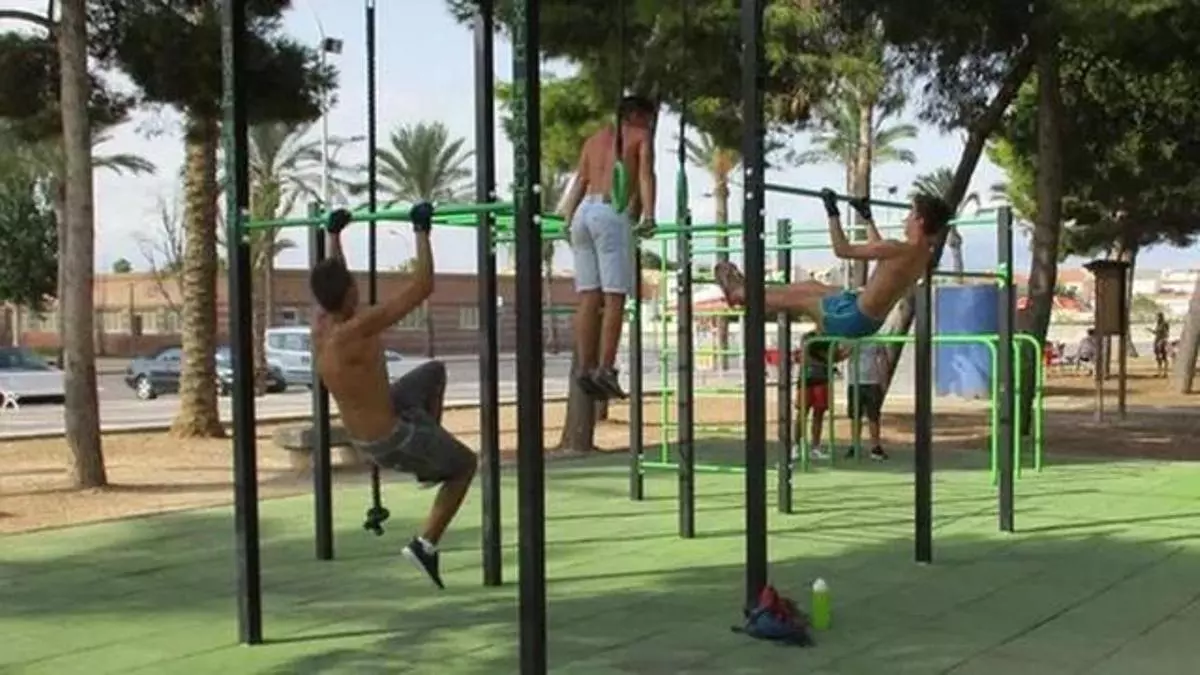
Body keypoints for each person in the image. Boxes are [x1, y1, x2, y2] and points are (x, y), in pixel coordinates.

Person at [309, 205, 477, 590]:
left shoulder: (321, 324)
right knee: (466, 465)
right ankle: (425, 544)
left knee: (433, 372)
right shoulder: (355, 331)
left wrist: (334, 235)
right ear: (349, 294)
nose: (357, 289)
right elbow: (423, 286)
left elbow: (335, 280)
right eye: (353, 286)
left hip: (375, 421)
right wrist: (421, 229)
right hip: (391, 438)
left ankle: (429, 461)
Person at [713, 189, 952, 341]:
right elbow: (882, 256)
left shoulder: (897, 248)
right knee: (811, 286)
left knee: (800, 298)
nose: (905, 219)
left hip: (852, 318)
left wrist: (832, 212)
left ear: (920, 221)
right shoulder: (923, 255)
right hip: (867, 318)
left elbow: (842, 250)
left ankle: (741, 294)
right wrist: (867, 218)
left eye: (910, 214)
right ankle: (751, 291)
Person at [560, 95, 658, 400]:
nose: (650, 124)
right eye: (648, 117)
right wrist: (649, 215)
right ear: (636, 115)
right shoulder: (640, 137)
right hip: (610, 212)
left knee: (589, 295)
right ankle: (605, 367)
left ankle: (585, 367)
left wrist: (567, 218)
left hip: (583, 213)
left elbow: (580, 181)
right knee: (615, 295)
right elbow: (645, 175)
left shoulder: (593, 140)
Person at [845, 341, 890, 461]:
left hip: (873, 382)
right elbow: (841, 355)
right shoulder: (850, 338)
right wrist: (848, 349)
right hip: (855, 382)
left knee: (873, 416)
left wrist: (884, 380)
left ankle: (875, 447)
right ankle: (854, 445)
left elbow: (883, 359)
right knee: (855, 416)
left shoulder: (876, 339)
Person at [793, 335, 834, 460]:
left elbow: (834, 357)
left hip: (822, 379)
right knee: (802, 413)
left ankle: (815, 448)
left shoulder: (829, 339)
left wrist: (847, 352)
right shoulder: (807, 337)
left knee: (818, 415)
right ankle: (796, 446)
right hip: (806, 380)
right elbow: (802, 358)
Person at [1150, 312, 1170, 376]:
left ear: (1161, 317)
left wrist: (1163, 340)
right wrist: (1150, 330)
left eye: (1158, 317)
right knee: (1158, 357)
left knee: (1164, 357)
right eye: (1157, 317)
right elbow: (1156, 333)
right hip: (1157, 341)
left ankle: (1165, 373)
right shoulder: (1158, 324)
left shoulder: (1164, 324)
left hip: (1162, 341)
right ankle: (1159, 372)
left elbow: (1166, 334)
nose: (1157, 318)